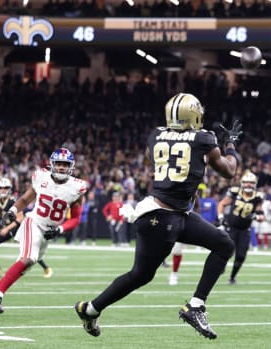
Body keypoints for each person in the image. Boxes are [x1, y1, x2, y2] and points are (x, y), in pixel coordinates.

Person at [74, 92, 241, 340]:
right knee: (140, 275)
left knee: (223, 244)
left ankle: (195, 305)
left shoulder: (156, 135)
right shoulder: (205, 138)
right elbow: (228, 171)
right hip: (162, 217)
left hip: (174, 212)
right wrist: (231, 145)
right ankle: (91, 309)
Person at [0, 148, 88, 315]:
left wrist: (59, 229)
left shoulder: (77, 188)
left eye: (65, 164)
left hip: (49, 231)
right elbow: (26, 199)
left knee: (28, 264)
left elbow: (75, 218)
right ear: (52, 164)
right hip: (34, 222)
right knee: (29, 258)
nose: (62, 168)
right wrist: (12, 211)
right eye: (59, 164)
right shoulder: (41, 177)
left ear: (71, 167)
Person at [0, 178, 53, 278]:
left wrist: (6, 229)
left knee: (29, 251)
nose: (3, 190)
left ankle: (46, 268)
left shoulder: (13, 201)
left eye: (5, 188)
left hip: (20, 228)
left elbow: (20, 218)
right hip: (10, 229)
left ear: (9, 189)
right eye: (1, 188)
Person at [217, 171, 265, 285]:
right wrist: (221, 217)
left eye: (251, 183)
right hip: (231, 227)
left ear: (255, 184)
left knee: (241, 256)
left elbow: (262, 216)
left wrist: (255, 216)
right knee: (227, 251)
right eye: (246, 182)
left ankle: (232, 277)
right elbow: (222, 204)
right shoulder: (234, 192)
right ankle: (221, 266)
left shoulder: (258, 197)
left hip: (245, 230)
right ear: (242, 183)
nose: (248, 185)